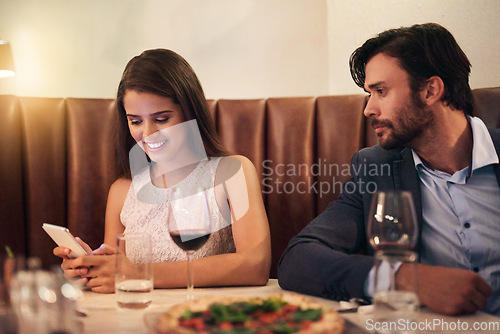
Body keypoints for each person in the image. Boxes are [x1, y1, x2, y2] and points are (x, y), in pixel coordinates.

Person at [278, 23, 500, 316]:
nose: (369, 109)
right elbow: (299, 259)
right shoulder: (375, 169)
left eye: (381, 91)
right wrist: (404, 278)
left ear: (431, 90)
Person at [53, 49, 271, 293]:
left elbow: (255, 265)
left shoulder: (233, 172)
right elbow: (118, 275)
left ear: (190, 113)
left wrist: (137, 273)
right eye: (135, 121)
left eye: (162, 118)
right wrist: (90, 268)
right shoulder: (122, 191)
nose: (147, 134)